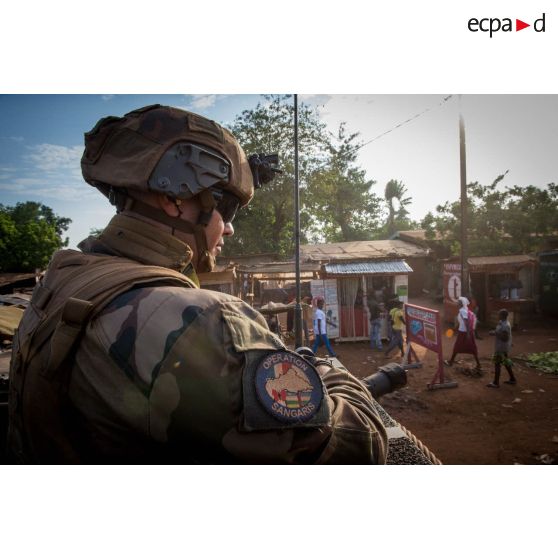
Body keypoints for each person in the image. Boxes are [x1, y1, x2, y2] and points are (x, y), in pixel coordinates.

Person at [7, 104, 387, 464]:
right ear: (174, 196)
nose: (230, 226)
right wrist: (327, 373)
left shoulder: (65, 275)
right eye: (227, 208)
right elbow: (358, 447)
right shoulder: (200, 320)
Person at [444, 296, 482, 370]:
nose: (457, 303)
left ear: (461, 304)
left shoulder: (462, 311)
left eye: (459, 302)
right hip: (467, 331)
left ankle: (451, 362)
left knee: (457, 347)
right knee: (472, 347)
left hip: (464, 332)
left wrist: (467, 333)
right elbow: (462, 321)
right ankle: (478, 364)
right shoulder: (465, 310)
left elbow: (466, 322)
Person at [487, 309, 516, 388]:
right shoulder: (502, 323)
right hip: (503, 347)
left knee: (497, 364)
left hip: (501, 347)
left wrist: (495, 333)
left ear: (502, 315)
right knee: (506, 362)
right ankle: (512, 379)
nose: (498, 315)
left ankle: (496, 383)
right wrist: (495, 332)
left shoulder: (505, 325)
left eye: (499, 314)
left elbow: (505, 338)